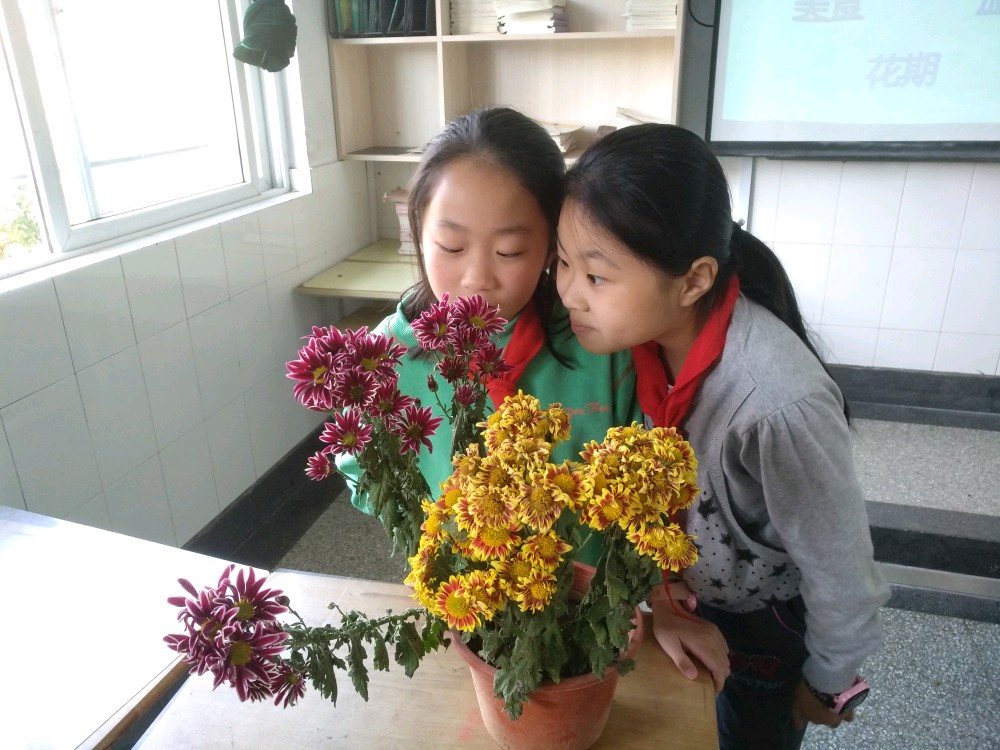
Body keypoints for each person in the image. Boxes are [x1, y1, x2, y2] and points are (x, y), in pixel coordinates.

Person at [555, 123, 890, 749]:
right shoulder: (638, 342)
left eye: (596, 277)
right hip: (692, 597)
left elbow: (843, 572)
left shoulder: (776, 405)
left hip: (769, 626)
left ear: (693, 281)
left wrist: (826, 683)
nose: (569, 292)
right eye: (562, 262)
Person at [337, 106, 639, 564]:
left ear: (551, 246)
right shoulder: (381, 361)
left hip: (586, 589)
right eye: (452, 246)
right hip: (460, 590)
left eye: (509, 251)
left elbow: (641, 476)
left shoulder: (599, 343)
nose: (477, 278)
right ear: (418, 230)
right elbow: (362, 476)